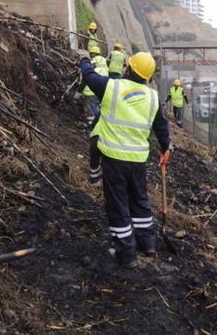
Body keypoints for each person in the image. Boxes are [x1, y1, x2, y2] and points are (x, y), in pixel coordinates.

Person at [80, 51, 170, 268]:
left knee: (118, 205)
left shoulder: (113, 87)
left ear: (128, 68)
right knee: (140, 201)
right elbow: (161, 126)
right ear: (148, 77)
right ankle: (147, 243)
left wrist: (84, 60)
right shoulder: (152, 97)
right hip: (138, 160)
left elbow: (89, 77)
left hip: (114, 159)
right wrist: (166, 147)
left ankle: (126, 253)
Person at [78, 46, 109, 127]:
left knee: (90, 110)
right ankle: (99, 123)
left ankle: (92, 126)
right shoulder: (104, 63)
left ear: (93, 54)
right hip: (102, 90)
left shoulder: (93, 62)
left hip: (91, 91)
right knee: (97, 108)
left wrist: (79, 91)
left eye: (91, 54)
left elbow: (86, 77)